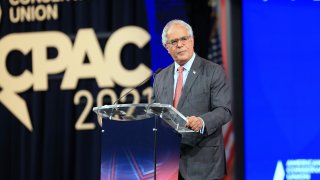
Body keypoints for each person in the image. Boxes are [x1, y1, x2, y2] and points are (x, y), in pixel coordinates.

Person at [152, 19, 232, 180]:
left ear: (192, 40)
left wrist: (202, 122)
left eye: (184, 39)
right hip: (168, 165)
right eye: (174, 41)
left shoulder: (213, 71)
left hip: (203, 163)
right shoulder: (160, 77)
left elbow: (224, 110)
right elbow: (156, 113)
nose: (180, 44)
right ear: (167, 48)